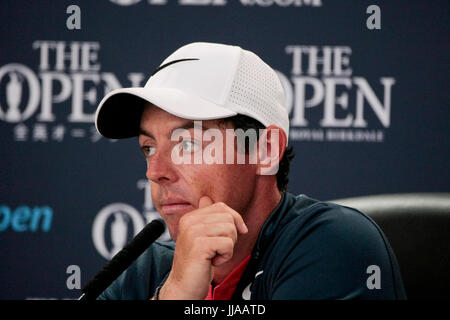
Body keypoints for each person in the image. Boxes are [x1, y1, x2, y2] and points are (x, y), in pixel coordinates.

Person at [94, 42, 406, 300]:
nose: (156, 171)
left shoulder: (335, 244)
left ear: (265, 150)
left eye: (187, 143)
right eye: (149, 148)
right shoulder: (149, 266)